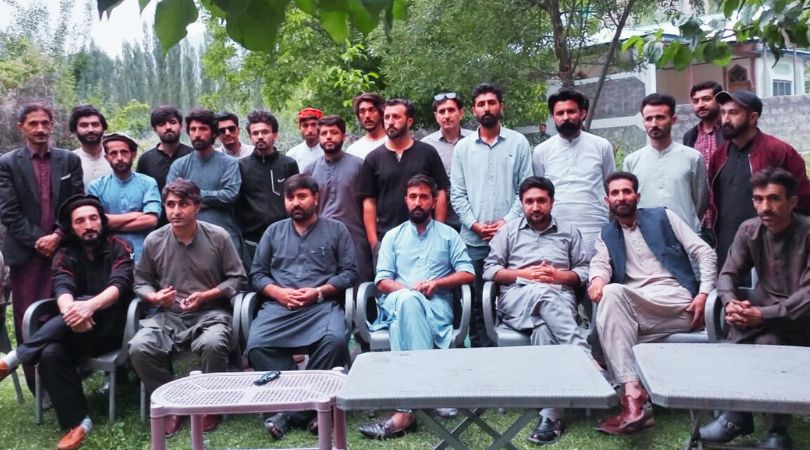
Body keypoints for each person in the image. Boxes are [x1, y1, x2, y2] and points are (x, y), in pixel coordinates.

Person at [0, 194, 133, 450]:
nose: (88, 225)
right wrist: (73, 311)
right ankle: (79, 423)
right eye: (80, 221)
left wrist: (89, 306)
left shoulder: (120, 246)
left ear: (102, 221)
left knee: (86, 302)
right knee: (50, 352)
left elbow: (120, 284)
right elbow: (62, 287)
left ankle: (14, 359)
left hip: (112, 330)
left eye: (93, 218)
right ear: (72, 227)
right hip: (75, 330)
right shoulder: (65, 254)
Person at [588, 172, 716, 435]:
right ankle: (634, 397)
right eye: (615, 193)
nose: (621, 197)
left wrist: (703, 294)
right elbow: (600, 265)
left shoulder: (663, 216)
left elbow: (704, 251)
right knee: (612, 302)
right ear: (606, 200)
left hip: (678, 303)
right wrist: (597, 281)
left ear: (638, 196)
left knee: (612, 315)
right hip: (642, 309)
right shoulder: (606, 234)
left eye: (626, 191)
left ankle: (629, 395)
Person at [699, 168, 810, 449]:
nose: (765, 207)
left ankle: (769, 427)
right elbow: (727, 274)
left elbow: (808, 296)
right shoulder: (749, 230)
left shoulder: (808, 234)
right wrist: (730, 302)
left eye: (773, 199)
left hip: (801, 320)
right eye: (758, 199)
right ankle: (742, 416)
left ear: (793, 202)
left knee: (768, 341)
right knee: (747, 327)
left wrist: (762, 314)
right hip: (760, 318)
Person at [357, 175, 475, 439]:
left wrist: (437, 283)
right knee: (408, 302)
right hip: (398, 301)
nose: (418, 202)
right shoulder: (393, 237)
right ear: (406, 201)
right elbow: (383, 280)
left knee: (407, 316)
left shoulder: (448, 235)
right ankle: (427, 395)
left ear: (433, 201)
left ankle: (406, 410)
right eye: (413, 197)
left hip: (436, 308)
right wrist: (410, 291)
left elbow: (468, 273)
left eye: (424, 197)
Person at [129, 178, 247, 437]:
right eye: (170, 204)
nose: (175, 211)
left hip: (211, 313)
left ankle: (209, 404)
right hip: (168, 315)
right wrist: (155, 297)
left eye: (183, 204)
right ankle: (170, 405)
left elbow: (238, 278)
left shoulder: (218, 236)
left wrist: (206, 295)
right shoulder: (154, 240)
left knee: (214, 343)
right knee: (139, 347)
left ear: (197, 207)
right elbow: (141, 282)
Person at [245, 174, 357, 440]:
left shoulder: (336, 230)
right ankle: (311, 407)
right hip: (280, 307)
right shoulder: (274, 231)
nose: (296, 202)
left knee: (336, 341)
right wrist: (278, 293)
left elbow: (350, 272)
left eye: (302, 196)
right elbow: (257, 274)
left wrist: (319, 292)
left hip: (320, 305)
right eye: (290, 197)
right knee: (257, 344)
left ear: (315, 198)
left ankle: (290, 412)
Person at [483, 176, 590, 445]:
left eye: (541, 200)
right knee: (542, 292)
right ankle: (588, 364)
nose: (535, 206)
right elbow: (490, 269)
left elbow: (584, 271)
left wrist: (558, 276)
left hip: (559, 300)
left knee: (544, 328)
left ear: (551, 202)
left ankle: (550, 414)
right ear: (522, 203)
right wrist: (524, 274)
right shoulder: (508, 232)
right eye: (529, 201)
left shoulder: (569, 231)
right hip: (516, 299)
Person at [0, 103, 84, 391]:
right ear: (21, 126)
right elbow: (8, 211)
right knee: (29, 318)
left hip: (64, 252)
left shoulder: (68, 160)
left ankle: (67, 379)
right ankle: (40, 388)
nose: (40, 129)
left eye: (45, 123)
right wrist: (39, 240)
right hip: (27, 257)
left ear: (52, 125)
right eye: (33, 123)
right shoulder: (8, 163)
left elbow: (76, 202)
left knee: (64, 314)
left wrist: (59, 236)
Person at [450, 83, 533, 348]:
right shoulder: (463, 148)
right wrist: (474, 225)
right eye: (481, 104)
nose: (487, 108)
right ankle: (482, 353)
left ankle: (513, 354)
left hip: (512, 239)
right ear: (473, 110)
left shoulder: (518, 142)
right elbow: (458, 195)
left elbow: (526, 189)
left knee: (513, 296)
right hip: (473, 241)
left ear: (501, 107)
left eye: (492, 103)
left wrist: (506, 223)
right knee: (475, 303)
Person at [708, 89, 810, 270]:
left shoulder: (779, 151)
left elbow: (802, 200)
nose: (726, 119)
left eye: (733, 113)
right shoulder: (719, 156)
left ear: (753, 117)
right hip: (727, 244)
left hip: (772, 246)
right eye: (723, 113)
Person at [359, 98, 451, 255]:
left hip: (426, 239)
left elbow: (442, 191)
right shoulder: (373, 159)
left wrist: (438, 233)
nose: (390, 122)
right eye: (387, 117)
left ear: (409, 121)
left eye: (396, 117)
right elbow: (369, 202)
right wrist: (375, 244)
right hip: (388, 242)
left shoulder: (427, 153)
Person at [533, 88, 615, 257]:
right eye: (560, 113)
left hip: (595, 228)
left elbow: (611, 188)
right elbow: (540, 193)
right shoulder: (541, 151)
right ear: (552, 117)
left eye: (571, 111)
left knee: (596, 278)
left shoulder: (602, 146)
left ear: (583, 113)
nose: (565, 117)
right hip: (555, 231)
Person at [167, 108, 245, 263]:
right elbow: (173, 198)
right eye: (193, 129)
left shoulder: (229, 164)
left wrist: (191, 196)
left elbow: (230, 196)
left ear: (214, 133)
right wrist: (212, 197)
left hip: (224, 236)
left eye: (203, 129)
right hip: (187, 239)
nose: (197, 134)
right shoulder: (179, 165)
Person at [303, 115, 372, 282]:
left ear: (343, 136)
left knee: (359, 289)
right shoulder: (310, 170)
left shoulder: (360, 166)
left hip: (355, 238)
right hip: (320, 240)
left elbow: (369, 204)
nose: (328, 137)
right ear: (319, 137)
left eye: (334, 132)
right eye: (324, 133)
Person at [623, 93, 708, 231]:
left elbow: (700, 201)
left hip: (686, 236)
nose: (654, 124)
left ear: (673, 119)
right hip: (646, 236)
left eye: (660, 117)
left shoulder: (693, 157)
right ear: (643, 122)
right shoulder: (632, 161)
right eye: (648, 119)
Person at [87, 132, 161, 262]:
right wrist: (135, 215)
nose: (119, 157)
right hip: (109, 256)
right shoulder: (96, 186)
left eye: (124, 152)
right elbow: (95, 222)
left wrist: (109, 224)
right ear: (106, 157)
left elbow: (151, 220)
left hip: (144, 255)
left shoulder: (148, 183)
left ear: (133, 154)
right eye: (113, 153)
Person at [236, 110, 299, 259]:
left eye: (265, 132)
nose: (260, 136)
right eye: (255, 133)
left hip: (285, 239)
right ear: (250, 137)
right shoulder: (241, 167)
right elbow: (237, 205)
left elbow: (296, 199)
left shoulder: (288, 164)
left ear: (275, 135)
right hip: (252, 242)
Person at [421, 92, 473, 231]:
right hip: (441, 218)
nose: (446, 115)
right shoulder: (426, 146)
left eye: (451, 110)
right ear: (436, 116)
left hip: (474, 216)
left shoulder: (474, 140)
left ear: (461, 113)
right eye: (442, 111)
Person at [136, 105, 192, 227]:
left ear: (181, 126)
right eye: (162, 124)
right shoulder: (145, 160)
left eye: (172, 122)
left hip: (190, 223)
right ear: (155, 129)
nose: (168, 127)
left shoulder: (193, 156)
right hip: (157, 226)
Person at [683, 81, 724, 243]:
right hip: (700, 220)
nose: (700, 105)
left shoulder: (730, 133)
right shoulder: (690, 136)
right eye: (696, 101)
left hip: (725, 217)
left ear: (719, 101)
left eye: (706, 99)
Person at [69, 105, 111, 187]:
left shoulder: (116, 158)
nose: (91, 130)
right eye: (84, 125)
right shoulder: (69, 162)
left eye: (95, 124)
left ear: (103, 128)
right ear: (75, 130)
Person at [346, 92, 387, 159]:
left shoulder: (395, 144)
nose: (367, 115)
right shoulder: (353, 151)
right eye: (362, 111)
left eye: (371, 110)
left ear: (382, 113)